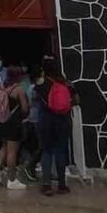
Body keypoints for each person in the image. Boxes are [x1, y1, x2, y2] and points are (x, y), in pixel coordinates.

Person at [38, 62, 75, 196]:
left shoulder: (41, 85)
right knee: (60, 151)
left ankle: (46, 184)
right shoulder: (67, 84)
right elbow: (76, 100)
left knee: (47, 151)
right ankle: (62, 184)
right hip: (63, 122)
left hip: (46, 122)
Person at [0, 65, 28, 190]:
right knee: (12, 152)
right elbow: (25, 109)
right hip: (13, 123)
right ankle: (12, 180)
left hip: (0, 121)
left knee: (4, 146)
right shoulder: (18, 90)